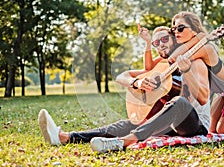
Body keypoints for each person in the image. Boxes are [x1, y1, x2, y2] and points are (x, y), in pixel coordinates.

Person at [38, 26, 211, 153]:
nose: (161, 45)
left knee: (178, 102)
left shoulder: (194, 61)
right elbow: (122, 76)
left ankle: (123, 142)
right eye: (157, 42)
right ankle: (65, 137)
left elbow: (203, 97)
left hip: (195, 125)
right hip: (170, 127)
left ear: (175, 39)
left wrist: (187, 71)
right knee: (128, 123)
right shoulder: (162, 65)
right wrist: (137, 82)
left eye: (165, 39)